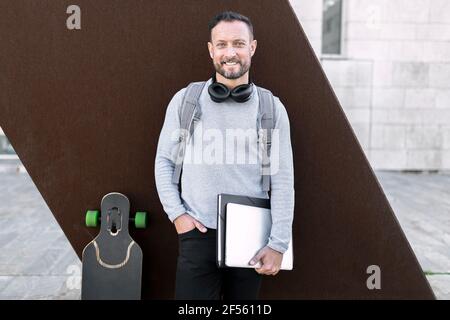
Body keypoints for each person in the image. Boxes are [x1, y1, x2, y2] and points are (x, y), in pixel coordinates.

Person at [154, 11, 295, 300]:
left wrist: (278, 243)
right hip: (197, 233)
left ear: (252, 47)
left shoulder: (271, 108)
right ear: (211, 50)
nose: (230, 53)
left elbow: (282, 179)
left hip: (251, 238)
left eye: (239, 44)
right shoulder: (186, 100)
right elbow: (164, 162)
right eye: (222, 45)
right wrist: (178, 216)